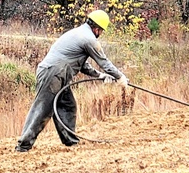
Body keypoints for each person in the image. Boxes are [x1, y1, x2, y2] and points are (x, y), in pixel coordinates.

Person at [15, 9, 128, 152]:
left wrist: (100, 76)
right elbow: (104, 62)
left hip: (58, 74)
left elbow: (82, 65)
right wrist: (120, 77)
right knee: (43, 109)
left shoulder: (78, 33)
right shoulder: (88, 39)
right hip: (53, 73)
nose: (101, 34)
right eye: (101, 31)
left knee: (68, 105)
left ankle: (70, 141)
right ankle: (23, 145)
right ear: (97, 28)